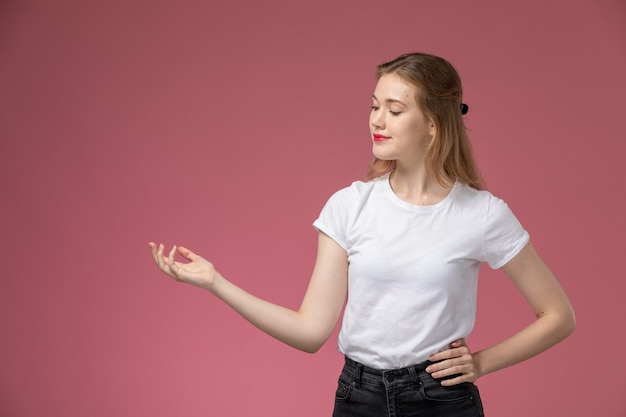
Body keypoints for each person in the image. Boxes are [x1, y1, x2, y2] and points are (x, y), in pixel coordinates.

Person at [149, 52, 575, 417]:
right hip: (359, 397)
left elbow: (558, 315)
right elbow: (310, 331)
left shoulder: (482, 214)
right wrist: (215, 283)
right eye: (374, 106)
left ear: (433, 123)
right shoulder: (349, 206)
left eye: (394, 109)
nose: (377, 120)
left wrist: (480, 363)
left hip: (441, 400)